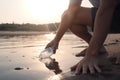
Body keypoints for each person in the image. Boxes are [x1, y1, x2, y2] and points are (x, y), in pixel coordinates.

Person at [46, 0, 120, 74]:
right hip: (113, 15)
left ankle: (95, 47)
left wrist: (91, 53)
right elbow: (71, 10)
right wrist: (56, 39)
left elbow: (108, 4)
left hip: (110, 8)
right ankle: (99, 47)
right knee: (71, 16)